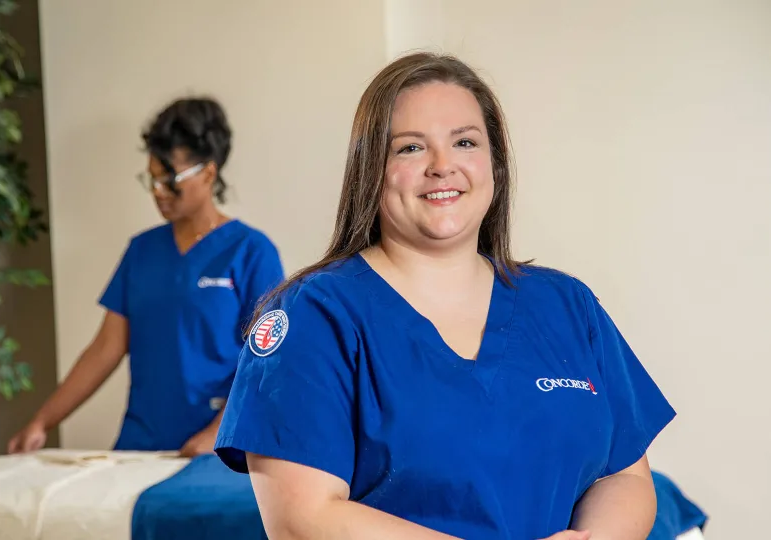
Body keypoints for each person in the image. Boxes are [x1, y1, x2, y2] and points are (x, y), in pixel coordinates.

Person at [213, 53, 676, 540]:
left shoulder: (567, 305)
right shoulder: (315, 316)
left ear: (494, 162)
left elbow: (624, 474)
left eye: (465, 142)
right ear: (372, 169)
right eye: (411, 148)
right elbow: (303, 519)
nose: (442, 166)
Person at [8, 97, 284, 457]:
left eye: (170, 181)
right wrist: (42, 421)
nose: (158, 192)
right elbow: (104, 350)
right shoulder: (142, 252)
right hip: (140, 446)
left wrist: (218, 433)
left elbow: (266, 360)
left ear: (208, 173)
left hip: (216, 450)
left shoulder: (251, 252)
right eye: (152, 179)